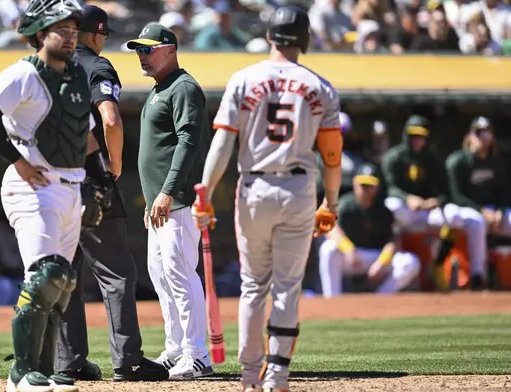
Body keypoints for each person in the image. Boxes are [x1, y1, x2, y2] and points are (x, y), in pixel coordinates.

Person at [191, 6, 342, 391]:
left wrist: (205, 194)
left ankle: (248, 377)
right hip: (299, 189)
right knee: (288, 285)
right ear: (304, 39)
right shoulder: (321, 87)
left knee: (253, 285)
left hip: (254, 187)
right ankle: (276, 375)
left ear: (270, 36)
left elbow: (223, 142)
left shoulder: (244, 78)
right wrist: (332, 202)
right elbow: (332, 158)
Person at [0, 0, 99, 390]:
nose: (71, 37)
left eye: (75, 31)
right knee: (46, 275)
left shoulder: (77, 75)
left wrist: (101, 181)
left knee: (62, 286)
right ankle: (22, 372)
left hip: (70, 187)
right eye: (63, 30)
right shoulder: (22, 73)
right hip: (32, 186)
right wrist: (18, 161)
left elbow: (85, 136)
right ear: (41, 34)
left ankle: (43, 370)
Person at [55, 4, 169, 383]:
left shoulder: (51, 68)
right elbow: (111, 118)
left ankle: (68, 361)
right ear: (94, 34)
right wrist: (114, 165)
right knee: (117, 273)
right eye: (103, 34)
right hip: (91, 181)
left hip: (54, 184)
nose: (104, 40)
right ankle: (129, 359)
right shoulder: (96, 67)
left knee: (66, 274)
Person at [125, 23, 212, 379]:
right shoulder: (161, 88)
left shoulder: (184, 87)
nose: (142, 56)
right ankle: (176, 349)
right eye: (139, 50)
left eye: (148, 49)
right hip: (160, 204)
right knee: (161, 275)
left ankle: (197, 354)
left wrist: (168, 191)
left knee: (179, 274)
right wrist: (153, 198)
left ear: (170, 49)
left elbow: (188, 142)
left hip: (177, 200)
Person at [381, 115, 487, 290]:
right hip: (406, 214)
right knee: (392, 204)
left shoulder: (434, 160)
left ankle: (439, 263)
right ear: (405, 136)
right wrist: (408, 198)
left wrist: (435, 201)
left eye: (420, 136)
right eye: (413, 136)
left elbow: (447, 192)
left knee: (455, 216)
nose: (417, 140)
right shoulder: (394, 157)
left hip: (429, 213)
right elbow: (390, 189)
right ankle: (389, 254)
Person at [318, 163, 421, 297]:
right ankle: (332, 299)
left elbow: (394, 241)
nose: (365, 189)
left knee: (410, 262)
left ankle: (380, 298)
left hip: (375, 257)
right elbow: (331, 230)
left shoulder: (383, 209)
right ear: (355, 184)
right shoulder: (345, 205)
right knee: (328, 249)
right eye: (362, 185)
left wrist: (382, 262)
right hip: (353, 257)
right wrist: (348, 248)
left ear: (376, 187)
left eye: (369, 186)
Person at [446, 117, 511, 240]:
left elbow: (504, 192)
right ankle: (477, 260)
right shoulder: (457, 162)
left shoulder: (497, 163)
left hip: (492, 210)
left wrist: (500, 211)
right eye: (478, 133)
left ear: (492, 138)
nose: (482, 138)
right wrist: (482, 211)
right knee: (477, 222)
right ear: (469, 137)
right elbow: (456, 195)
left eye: (486, 133)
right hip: (466, 210)